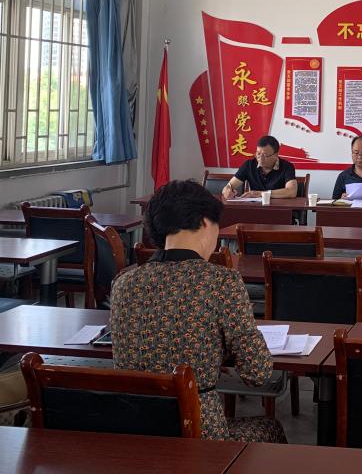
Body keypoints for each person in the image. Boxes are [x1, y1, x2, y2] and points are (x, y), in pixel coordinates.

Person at [110, 180, 287, 443]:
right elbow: (257, 372)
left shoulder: (124, 283)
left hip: (135, 432)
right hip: (200, 436)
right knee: (269, 427)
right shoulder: (221, 281)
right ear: (205, 223)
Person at [221, 135, 298, 201]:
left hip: (279, 209)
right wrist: (227, 190)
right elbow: (229, 186)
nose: (260, 158)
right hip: (255, 209)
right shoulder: (249, 165)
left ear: (275, 155)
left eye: (264, 155)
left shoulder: (287, 167)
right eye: (258, 153)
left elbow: (291, 192)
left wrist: (260, 194)